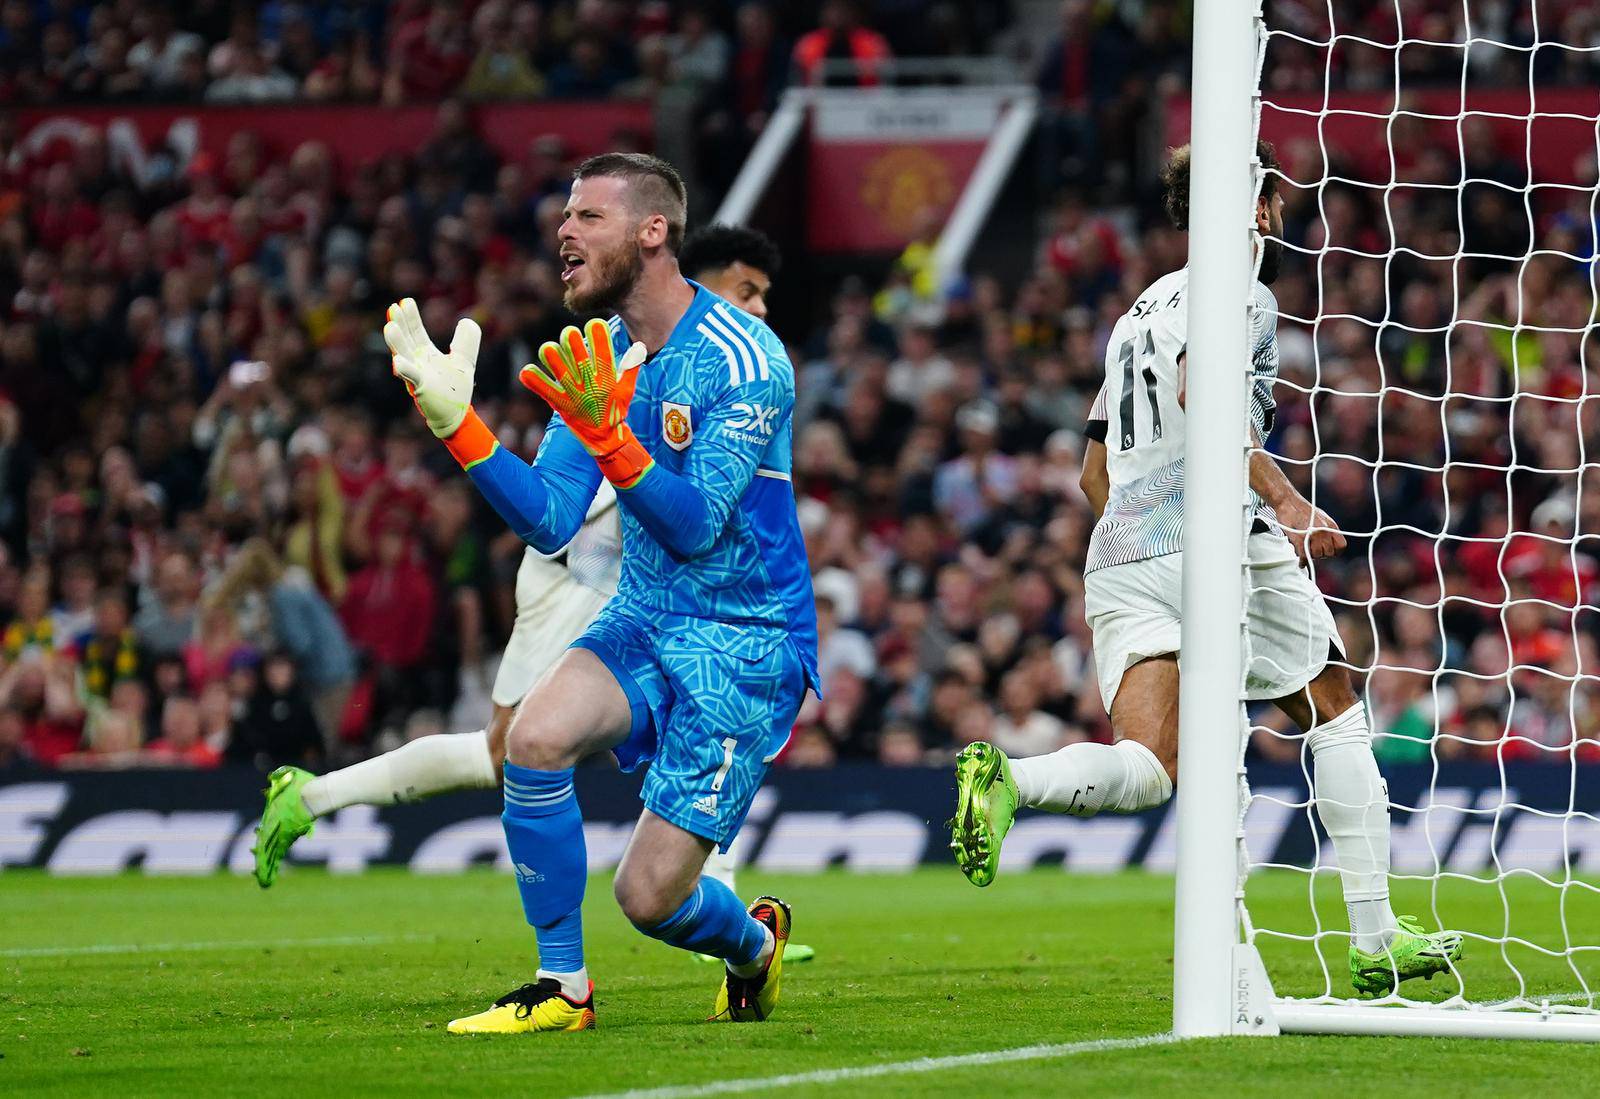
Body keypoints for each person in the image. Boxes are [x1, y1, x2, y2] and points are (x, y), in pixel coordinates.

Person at [264, 157, 817, 1033]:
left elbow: (698, 525)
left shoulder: (746, 356)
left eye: (588, 215)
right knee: (534, 738)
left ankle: (752, 944)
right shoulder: (604, 355)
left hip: (743, 637)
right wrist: (458, 424)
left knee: (648, 898)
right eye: (565, 214)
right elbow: (553, 519)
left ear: (652, 231)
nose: (564, 231)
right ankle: (563, 986)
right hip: (645, 614)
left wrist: (613, 440)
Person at [949, 140, 1463, 999]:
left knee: (1153, 762)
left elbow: (1092, 472)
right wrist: (1288, 502)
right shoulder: (1245, 295)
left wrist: (1149, 537)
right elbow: (1205, 393)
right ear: (1256, 207)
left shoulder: (1134, 314)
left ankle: (1014, 780)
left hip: (1119, 549)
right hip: (1213, 533)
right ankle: (1375, 935)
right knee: (1332, 696)